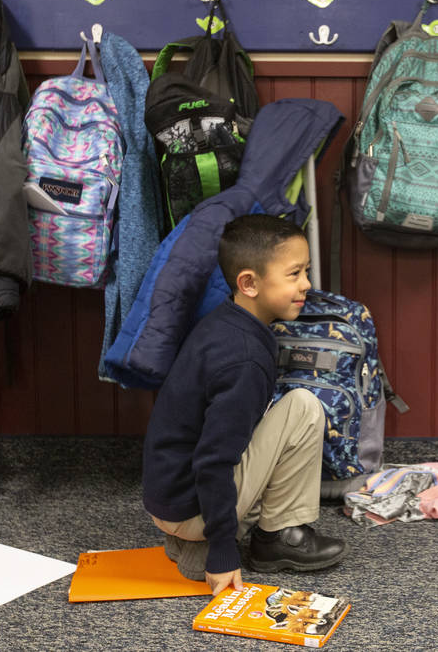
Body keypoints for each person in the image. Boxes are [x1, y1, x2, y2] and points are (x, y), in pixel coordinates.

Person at [142, 214, 346, 595]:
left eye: (306, 271)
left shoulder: (225, 322)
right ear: (249, 283)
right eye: (294, 274)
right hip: (191, 506)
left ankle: (196, 536)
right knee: (303, 408)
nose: (307, 284)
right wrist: (222, 552)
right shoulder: (245, 359)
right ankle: (260, 539)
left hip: (170, 499)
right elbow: (213, 460)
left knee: (287, 412)